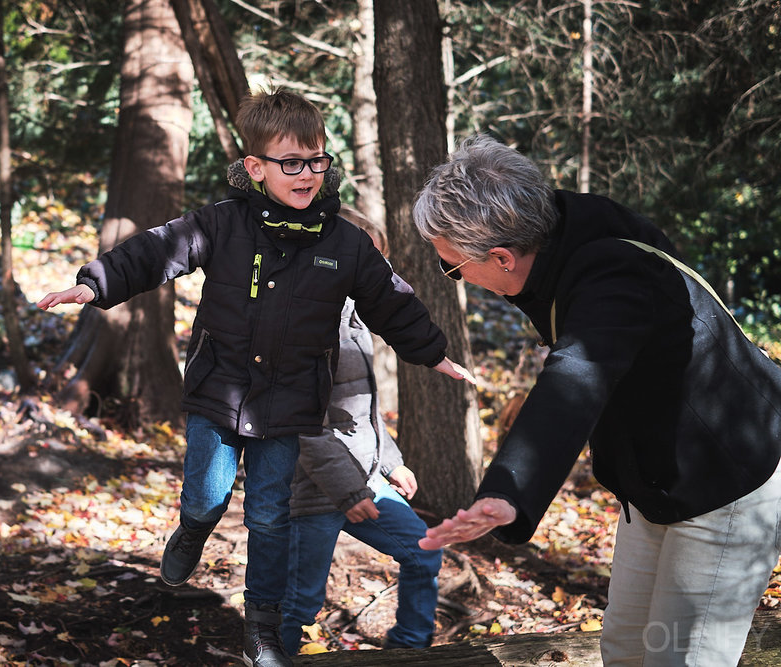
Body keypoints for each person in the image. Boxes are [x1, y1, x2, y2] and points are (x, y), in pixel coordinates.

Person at [38, 88, 470, 667]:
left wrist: (433, 351)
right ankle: (192, 528)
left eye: (317, 160)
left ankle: (262, 626)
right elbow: (155, 250)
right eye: (291, 163)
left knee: (269, 517)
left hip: (288, 406)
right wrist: (96, 284)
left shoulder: (344, 243)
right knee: (210, 496)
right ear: (256, 168)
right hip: (219, 392)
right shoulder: (222, 224)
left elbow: (391, 300)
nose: (307, 174)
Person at [411, 133, 781, 667]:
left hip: (725, 478)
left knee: (683, 660)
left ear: (501, 257)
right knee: (626, 651)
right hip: (651, 481)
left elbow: (575, 379)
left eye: (452, 267)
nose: (458, 279)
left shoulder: (612, 275)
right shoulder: (553, 237)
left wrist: (509, 491)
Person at [280, 207, 442, 655]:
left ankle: (408, 651)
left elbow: (356, 410)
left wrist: (392, 462)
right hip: (314, 491)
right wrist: (349, 492)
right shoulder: (302, 325)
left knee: (424, 550)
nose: (379, 270)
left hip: (365, 478)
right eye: (368, 257)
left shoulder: (353, 318)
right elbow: (301, 425)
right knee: (298, 604)